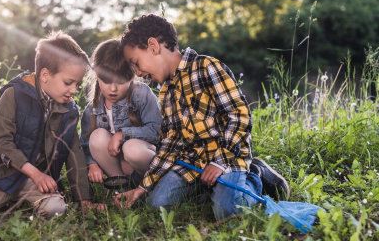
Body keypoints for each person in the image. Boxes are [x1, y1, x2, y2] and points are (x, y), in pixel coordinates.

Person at [114, 14, 290, 220]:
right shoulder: (165, 92)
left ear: (153, 46)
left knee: (227, 211)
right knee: (157, 205)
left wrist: (219, 162)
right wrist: (142, 188)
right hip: (193, 164)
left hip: (227, 158)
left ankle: (256, 176)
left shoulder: (206, 67)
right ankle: (211, 189)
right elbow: (170, 144)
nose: (138, 73)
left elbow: (238, 115)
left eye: (136, 63)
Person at [0, 32, 104, 226]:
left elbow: (74, 154)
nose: (74, 90)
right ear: (45, 75)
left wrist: (84, 200)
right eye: (68, 82)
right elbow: (2, 144)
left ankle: (15, 199)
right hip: (0, 176)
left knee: (56, 209)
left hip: (33, 182)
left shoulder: (69, 110)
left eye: (78, 84)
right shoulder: (13, 95)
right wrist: (36, 174)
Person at [80, 38, 162, 189]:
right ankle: (121, 185)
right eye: (106, 81)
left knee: (132, 148)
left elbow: (156, 131)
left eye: (120, 82)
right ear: (97, 76)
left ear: (132, 75)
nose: (113, 89)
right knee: (96, 136)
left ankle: (149, 186)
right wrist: (91, 164)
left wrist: (122, 134)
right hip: (118, 167)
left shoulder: (141, 94)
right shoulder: (92, 108)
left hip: (142, 161)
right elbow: (85, 144)